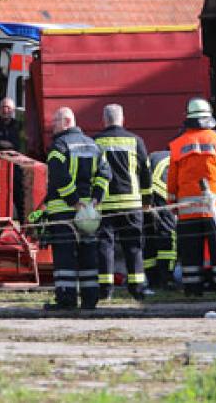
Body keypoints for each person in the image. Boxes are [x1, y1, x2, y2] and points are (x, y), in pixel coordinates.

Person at [167, 97, 216, 296]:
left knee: (191, 253)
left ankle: (192, 290)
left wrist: (172, 202)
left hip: (187, 211)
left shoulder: (177, 145)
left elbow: (172, 178)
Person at [43, 107, 111, 311]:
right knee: (88, 252)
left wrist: (73, 201)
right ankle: (90, 299)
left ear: (66, 121)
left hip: (63, 211)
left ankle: (66, 299)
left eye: (55, 122)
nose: (52, 126)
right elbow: (105, 174)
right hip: (89, 214)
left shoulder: (59, 146)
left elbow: (59, 176)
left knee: (65, 255)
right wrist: (96, 200)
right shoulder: (94, 145)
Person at [94, 104, 152, 300]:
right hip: (131, 203)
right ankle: (137, 288)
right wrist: (147, 200)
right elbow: (146, 172)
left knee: (105, 246)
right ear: (123, 119)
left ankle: (105, 289)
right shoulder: (136, 141)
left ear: (104, 120)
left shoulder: (96, 142)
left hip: (105, 204)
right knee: (134, 246)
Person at [144, 149, 177, 290]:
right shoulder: (178, 157)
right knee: (168, 235)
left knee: (148, 237)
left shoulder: (156, 155)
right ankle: (166, 278)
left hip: (145, 194)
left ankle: (152, 279)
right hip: (162, 193)